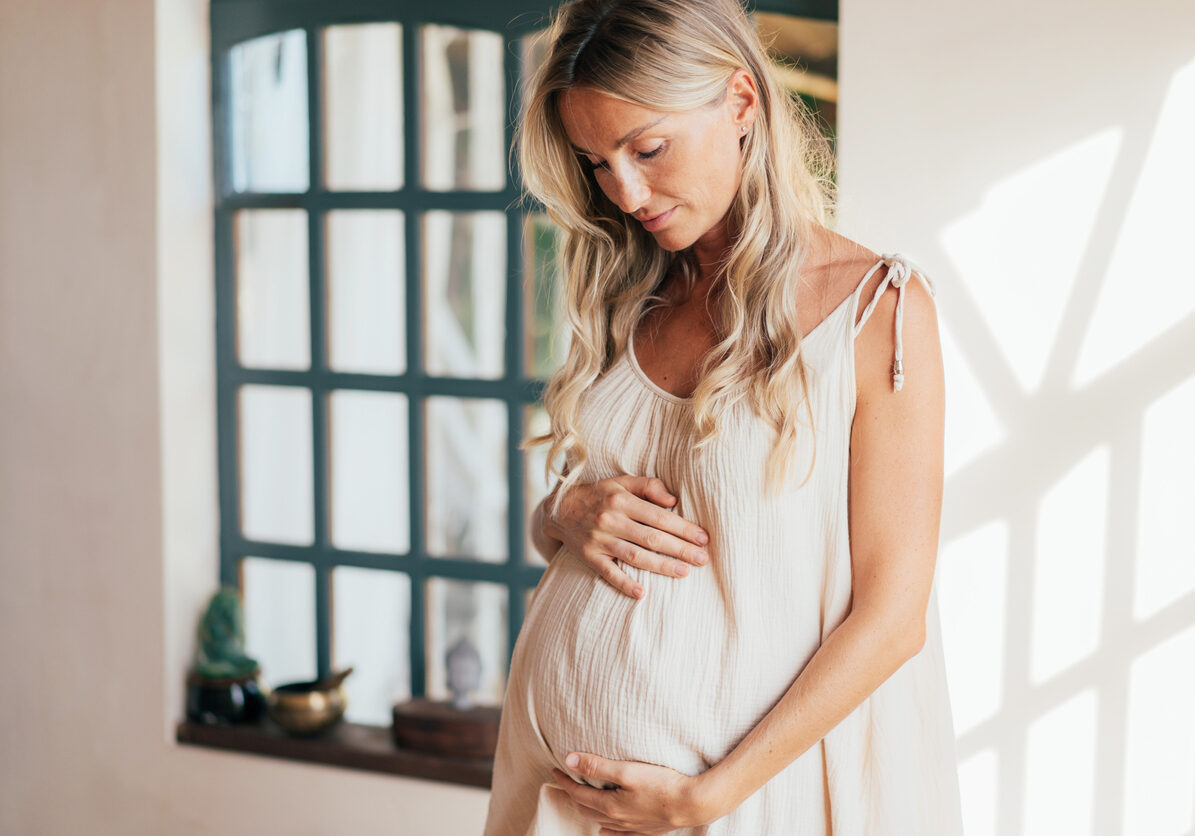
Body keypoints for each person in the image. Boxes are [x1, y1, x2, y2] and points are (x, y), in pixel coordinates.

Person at [484, 0, 964, 832]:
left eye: (648, 148)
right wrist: (563, 512)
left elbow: (892, 621)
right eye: (596, 162)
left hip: (735, 804)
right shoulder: (629, 294)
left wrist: (706, 798)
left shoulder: (874, 312)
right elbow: (581, 530)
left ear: (740, 102)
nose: (624, 191)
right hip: (556, 801)